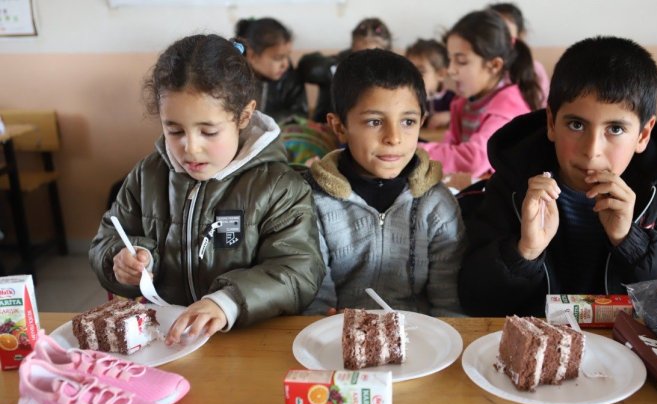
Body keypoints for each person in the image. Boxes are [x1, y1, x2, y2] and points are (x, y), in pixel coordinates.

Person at [90, 34, 325, 343]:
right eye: (174, 130)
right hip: (168, 339)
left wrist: (226, 302)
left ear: (243, 116)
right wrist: (121, 260)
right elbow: (106, 239)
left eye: (209, 131)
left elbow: (298, 271)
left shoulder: (279, 187)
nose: (191, 148)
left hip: (246, 341)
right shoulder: (147, 176)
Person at [459, 36, 657, 317]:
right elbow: (474, 300)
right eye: (576, 125)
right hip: (537, 346)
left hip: (625, 348)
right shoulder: (515, 181)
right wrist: (524, 251)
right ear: (552, 123)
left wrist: (632, 242)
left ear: (643, 134)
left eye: (615, 129)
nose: (592, 151)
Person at [302, 49, 465, 316]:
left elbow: (450, 307)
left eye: (408, 121)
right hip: (337, 340)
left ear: (422, 122)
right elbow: (317, 305)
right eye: (375, 121)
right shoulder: (312, 201)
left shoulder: (437, 205)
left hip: (420, 342)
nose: (394, 137)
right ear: (339, 126)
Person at [420, 9, 541, 178]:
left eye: (461, 61)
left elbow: (473, 160)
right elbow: (450, 145)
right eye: (450, 60)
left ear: (494, 65)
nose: (451, 70)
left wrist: (417, 152)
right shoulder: (464, 103)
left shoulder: (507, 109)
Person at [298, 17, 393, 123]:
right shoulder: (338, 68)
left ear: (387, 56)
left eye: (373, 56)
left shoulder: (394, 79)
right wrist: (332, 67)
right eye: (359, 55)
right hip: (328, 127)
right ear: (351, 51)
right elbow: (308, 68)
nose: (365, 62)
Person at [235, 17, 308, 123]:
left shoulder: (289, 77)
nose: (285, 64)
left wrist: (271, 122)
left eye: (287, 56)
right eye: (278, 58)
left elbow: (300, 114)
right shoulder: (232, 78)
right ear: (252, 55)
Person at [488, 2, 550, 107]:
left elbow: (544, 107)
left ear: (520, 36)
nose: (498, 42)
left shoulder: (534, 69)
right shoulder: (481, 69)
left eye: (506, 36)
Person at [405, 38, 455, 129]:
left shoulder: (452, 99)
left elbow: (466, 117)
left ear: (441, 74)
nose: (413, 77)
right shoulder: (404, 98)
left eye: (421, 72)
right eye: (409, 70)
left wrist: (450, 116)